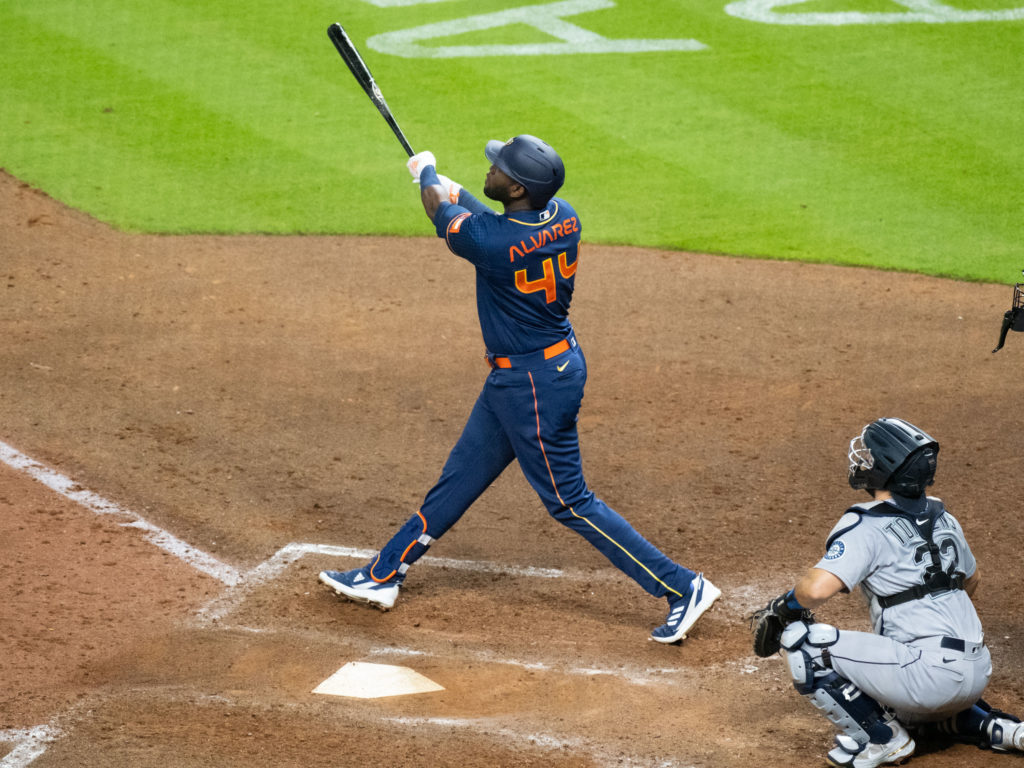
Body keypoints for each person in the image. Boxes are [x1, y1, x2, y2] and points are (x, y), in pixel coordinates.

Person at [319, 135, 719, 643]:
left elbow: (442, 213)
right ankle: (384, 573)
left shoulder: (493, 244)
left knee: (569, 501)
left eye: (497, 168)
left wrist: (426, 173)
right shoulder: (563, 215)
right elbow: (479, 212)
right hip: (536, 372)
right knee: (462, 475)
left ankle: (683, 587)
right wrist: (449, 184)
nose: (489, 168)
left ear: (514, 187)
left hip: (532, 385)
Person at [751, 417, 1024, 767]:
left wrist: (784, 607)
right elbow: (972, 580)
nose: (862, 461)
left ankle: (883, 740)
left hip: (930, 678)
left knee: (804, 642)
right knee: (906, 704)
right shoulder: (944, 517)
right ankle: (994, 726)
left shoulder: (866, 525)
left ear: (886, 469)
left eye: (870, 456)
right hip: (976, 671)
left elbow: (817, 589)